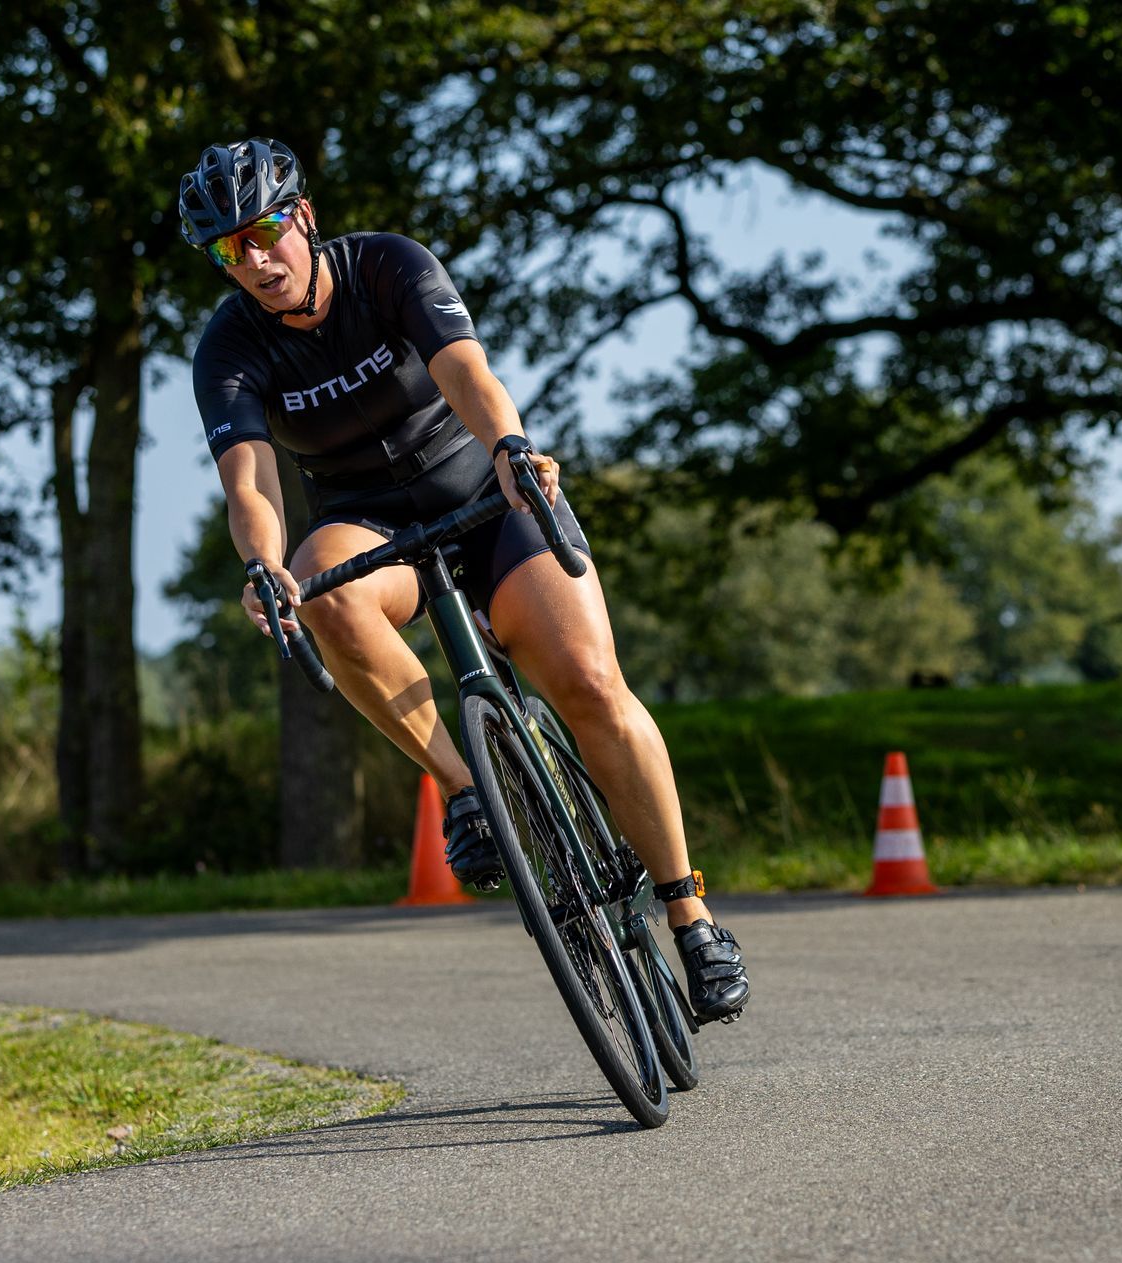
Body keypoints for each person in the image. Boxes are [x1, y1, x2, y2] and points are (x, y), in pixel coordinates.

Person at [180, 138, 748, 1023]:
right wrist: (261, 565)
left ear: (305, 218)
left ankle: (690, 911)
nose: (254, 260)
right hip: (370, 521)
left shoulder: (389, 266)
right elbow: (250, 482)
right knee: (318, 581)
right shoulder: (228, 349)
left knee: (592, 685)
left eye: (264, 232)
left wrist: (510, 450)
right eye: (229, 250)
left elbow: (466, 372)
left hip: (483, 491)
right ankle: (464, 787)